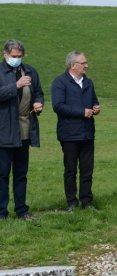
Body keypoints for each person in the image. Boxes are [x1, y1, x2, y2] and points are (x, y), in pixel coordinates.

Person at [0, 39, 44, 220]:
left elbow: (39, 92)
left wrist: (39, 103)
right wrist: (15, 86)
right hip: (4, 131)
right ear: (5, 55)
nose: (16, 59)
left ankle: (22, 210)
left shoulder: (30, 71)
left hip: (24, 130)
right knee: (2, 174)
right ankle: (1, 212)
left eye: (19, 56)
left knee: (21, 174)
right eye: (13, 56)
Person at [51, 51, 100, 211]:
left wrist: (95, 108)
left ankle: (87, 202)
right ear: (73, 66)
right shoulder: (59, 82)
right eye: (83, 63)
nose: (87, 65)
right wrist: (82, 112)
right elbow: (58, 106)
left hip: (87, 133)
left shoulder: (89, 82)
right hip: (69, 134)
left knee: (87, 169)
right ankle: (72, 202)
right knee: (70, 170)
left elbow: (94, 101)